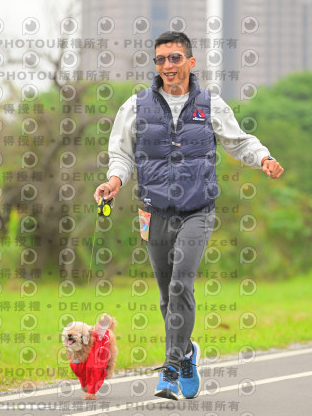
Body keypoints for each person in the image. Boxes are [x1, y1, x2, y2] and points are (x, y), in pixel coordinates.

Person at [93, 31, 283, 400]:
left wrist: (264, 158)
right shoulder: (135, 107)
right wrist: (113, 181)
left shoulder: (210, 105)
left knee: (182, 283)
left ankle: (169, 370)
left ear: (191, 62)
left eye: (175, 58)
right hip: (153, 211)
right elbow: (121, 155)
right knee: (168, 295)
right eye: (161, 59)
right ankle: (187, 353)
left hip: (198, 210)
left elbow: (239, 141)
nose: (167, 65)